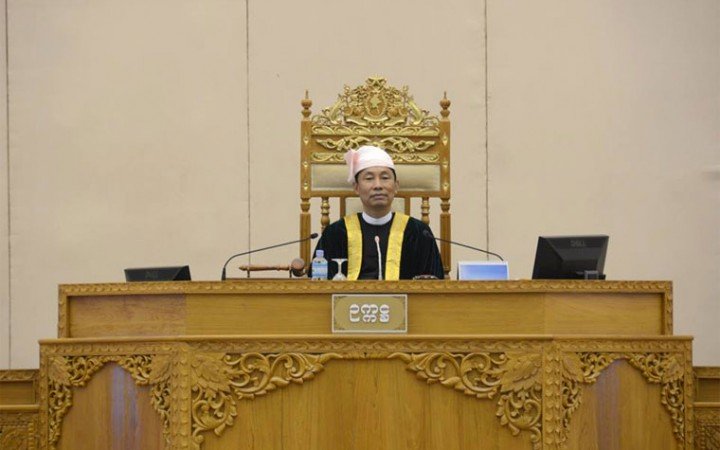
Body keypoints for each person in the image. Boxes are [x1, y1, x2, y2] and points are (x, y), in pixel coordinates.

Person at [311, 145, 444, 280]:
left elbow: (434, 287)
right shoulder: (336, 233)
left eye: (385, 178)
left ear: (396, 186)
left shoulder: (417, 233)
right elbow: (318, 285)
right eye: (369, 179)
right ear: (356, 187)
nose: (378, 185)